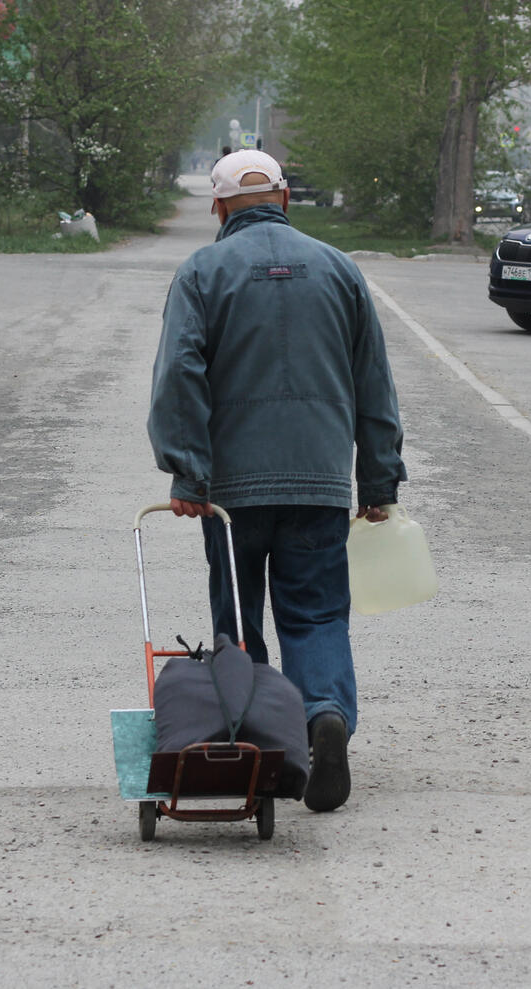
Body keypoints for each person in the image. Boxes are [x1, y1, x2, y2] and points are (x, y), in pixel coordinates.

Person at [147, 149, 406, 813]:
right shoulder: (339, 269)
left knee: (238, 614)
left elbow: (180, 373)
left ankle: (256, 739)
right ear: (286, 198)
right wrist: (378, 479)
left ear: (217, 206)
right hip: (319, 482)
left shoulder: (203, 271)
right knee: (316, 610)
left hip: (229, 491)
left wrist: (187, 470)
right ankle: (324, 716)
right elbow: (374, 383)